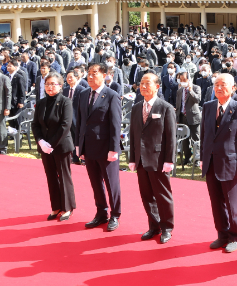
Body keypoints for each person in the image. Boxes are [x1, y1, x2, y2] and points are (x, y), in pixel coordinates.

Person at [199, 73, 237, 253]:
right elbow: (204, 135)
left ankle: (235, 236)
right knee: (216, 201)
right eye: (216, 85)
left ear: (233, 87)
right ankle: (222, 234)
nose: (219, 88)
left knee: (232, 202)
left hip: (231, 163)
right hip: (211, 162)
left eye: (223, 85)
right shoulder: (208, 106)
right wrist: (202, 157)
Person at [128, 72, 177, 244]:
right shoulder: (136, 108)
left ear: (157, 86)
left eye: (147, 83)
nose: (143, 86)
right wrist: (132, 158)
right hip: (141, 159)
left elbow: (171, 137)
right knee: (147, 195)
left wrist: (169, 160)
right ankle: (154, 225)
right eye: (141, 83)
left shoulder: (165, 107)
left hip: (158, 159)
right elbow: (133, 134)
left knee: (162, 195)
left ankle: (167, 227)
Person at [75, 63, 123, 231]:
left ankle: (115, 215)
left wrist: (114, 149)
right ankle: (101, 212)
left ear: (104, 75)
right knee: (95, 183)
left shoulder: (112, 95)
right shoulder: (82, 94)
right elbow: (80, 122)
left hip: (106, 147)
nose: (90, 76)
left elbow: (116, 125)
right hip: (88, 147)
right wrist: (79, 146)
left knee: (111, 183)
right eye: (88, 73)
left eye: (94, 73)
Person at [31, 72, 75, 221]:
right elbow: (35, 124)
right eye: (47, 84)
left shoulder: (65, 102)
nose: (50, 87)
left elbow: (65, 125)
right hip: (45, 147)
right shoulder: (42, 102)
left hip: (61, 146)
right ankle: (56, 207)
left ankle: (67, 207)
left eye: (53, 84)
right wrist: (41, 142)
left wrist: (51, 144)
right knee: (51, 177)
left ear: (60, 86)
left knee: (63, 176)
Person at [176, 69, 202, 167]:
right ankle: (187, 158)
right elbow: (178, 105)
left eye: (184, 79)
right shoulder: (179, 91)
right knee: (184, 139)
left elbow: (197, 99)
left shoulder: (196, 88)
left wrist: (190, 90)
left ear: (189, 79)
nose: (182, 81)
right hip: (182, 117)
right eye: (180, 79)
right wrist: (177, 118)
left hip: (193, 116)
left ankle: (197, 159)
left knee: (196, 138)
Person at [0, 70, 10, 155]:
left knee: (1, 127)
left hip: (1, 107)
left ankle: (3, 147)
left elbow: (8, 94)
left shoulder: (4, 78)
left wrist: (7, 107)